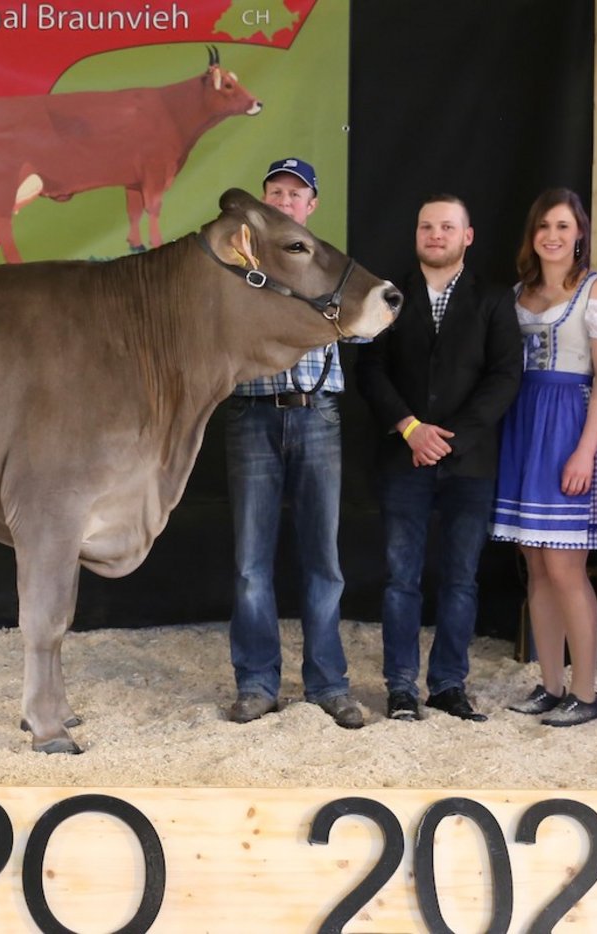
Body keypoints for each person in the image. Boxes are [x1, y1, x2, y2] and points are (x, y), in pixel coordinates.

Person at [356, 194, 522, 722]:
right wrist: (410, 428)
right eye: (427, 226)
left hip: (468, 462)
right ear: (416, 234)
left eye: (447, 227)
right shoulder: (389, 297)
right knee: (400, 580)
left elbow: (505, 376)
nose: (435, 235)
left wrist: (451, 438)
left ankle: (449, 684)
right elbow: (370, 370)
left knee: (460, 580)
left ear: (466, 237)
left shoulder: (493, 299)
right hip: (403, 457)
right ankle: (401, 686)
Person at [223, 157, 364, 730]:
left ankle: (328, 684)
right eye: (276, 192)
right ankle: (257, 684)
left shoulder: (328, 264)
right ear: (263, 202)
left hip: (316, 412)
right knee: (250, 563)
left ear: (311, 205)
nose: (285, 201)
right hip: (252, 412)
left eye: (295, 194)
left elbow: (363, 323)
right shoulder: (237, 265)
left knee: (323, 560)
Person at [491, 189, 597, 727]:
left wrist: (587, 451)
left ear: (579, 233)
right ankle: (550, 684)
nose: (552, 235)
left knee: (566, 567)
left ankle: (585, 692)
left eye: (563, 226)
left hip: (569, 425)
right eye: (544, 225)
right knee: (536, 565)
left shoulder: (596, 290)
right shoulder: (517, 294)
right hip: (524, 426)